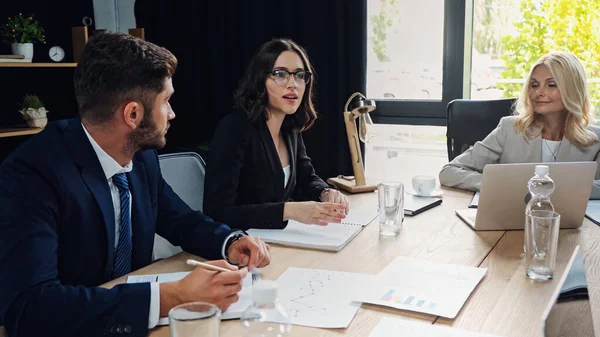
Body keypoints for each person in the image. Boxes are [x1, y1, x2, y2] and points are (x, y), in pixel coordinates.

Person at [0, 33, 271, 337]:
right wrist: (173, 296)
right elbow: (29, 308)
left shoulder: (142, 157)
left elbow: (179, 220)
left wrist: (230, 242)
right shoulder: (32, 175)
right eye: (166, 101)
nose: (172, 114)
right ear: (132, 114)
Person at [204, 38, 349, 230]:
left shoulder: (290, 129)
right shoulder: (234, 129)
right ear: (260, 80)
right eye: (280, 74)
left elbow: (306, 178)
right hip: (240, 245)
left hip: (273, 241)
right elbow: (218, 212)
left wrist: (325, 192)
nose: (293, 84)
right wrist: (288, 211)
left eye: (299, 75)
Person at [439, 51, 600, 198]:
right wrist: (497, 184)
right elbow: (449, 172)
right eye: (534, 84)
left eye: (551, 85)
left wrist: (553, 188)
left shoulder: (595, 140)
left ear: (572, 89)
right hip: (511, 218)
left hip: (572, 223)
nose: (539, 92)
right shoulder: (509, 129)